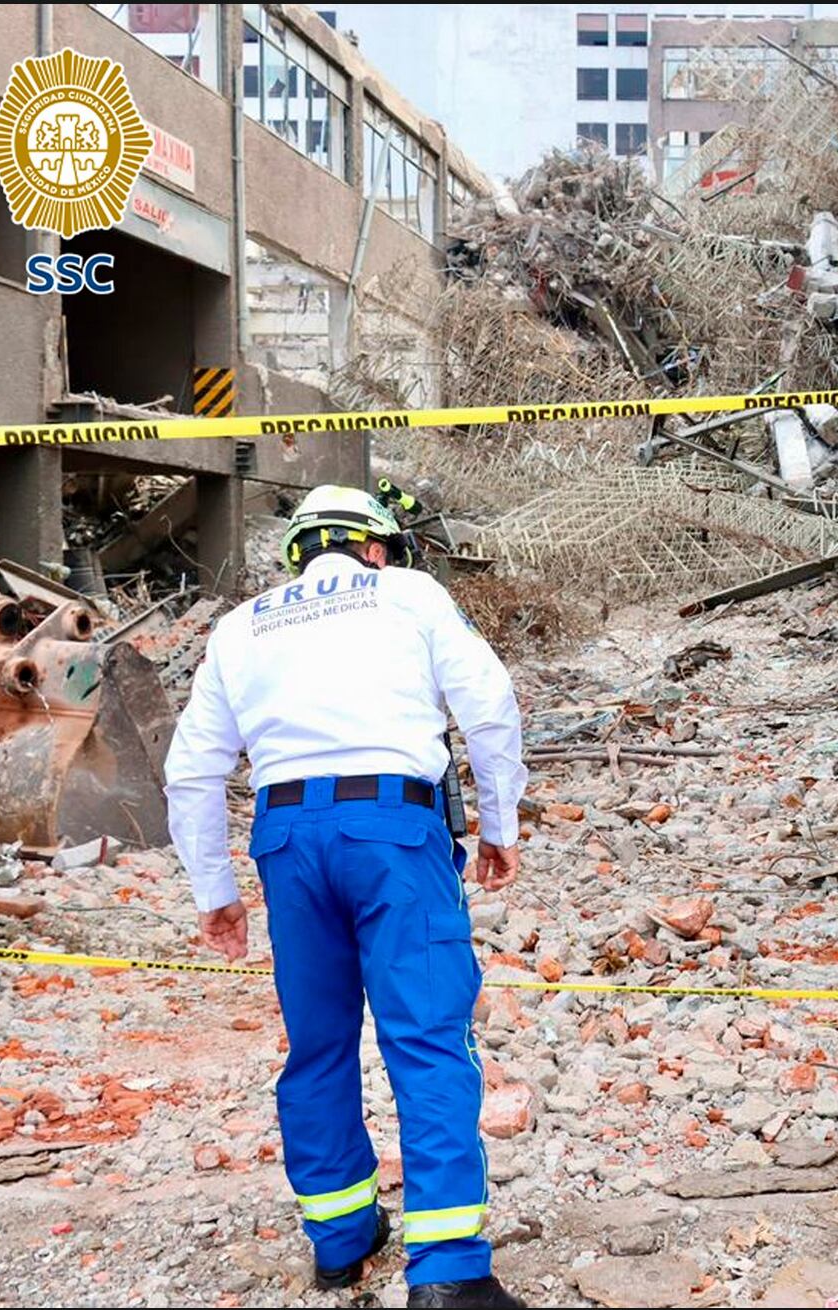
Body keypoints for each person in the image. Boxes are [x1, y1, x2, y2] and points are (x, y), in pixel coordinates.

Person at [163, 486, 529, 1310]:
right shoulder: (408, 593)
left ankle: (339, 1238)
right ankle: (446, 1271)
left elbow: (190, 770)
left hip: (286, 840)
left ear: (299, 553)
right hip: (392, 832)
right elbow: (489, 707)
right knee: (428, 1039)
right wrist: (501, 823)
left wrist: (213, 891)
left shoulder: (242, 624)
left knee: (318, 1045)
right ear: (374, 547)